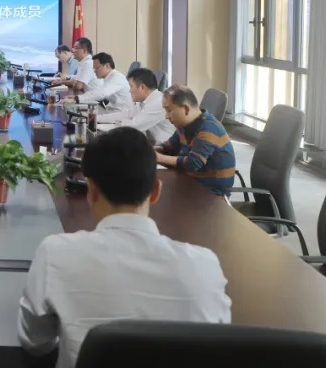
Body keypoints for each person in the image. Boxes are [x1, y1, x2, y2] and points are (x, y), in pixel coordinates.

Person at [17, 127, 231, 367]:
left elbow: (35, 343)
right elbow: (218, 348)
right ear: (155, 191)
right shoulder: (205, 267)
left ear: (91, 191)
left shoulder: (55, 255)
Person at [156, 85, 236, 197]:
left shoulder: (209, 129)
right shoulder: (184, 125)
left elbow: (192, 163)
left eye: (169, 110)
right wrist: (147, 150)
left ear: (186, 109)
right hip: (190, 184)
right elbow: (169, 147)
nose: (166, 116)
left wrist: (158, 158)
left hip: (212, 194)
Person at [97, 67, 175, 144]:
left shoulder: (158, 102)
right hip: (150, 142)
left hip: (163, 147)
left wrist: (112, 124)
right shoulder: (144, 101)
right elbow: (127, 115)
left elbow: (134, 126)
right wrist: (98, 118)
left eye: (131, 86)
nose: (130, 91)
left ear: (142, 87)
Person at [68, 52, 133, 114]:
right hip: (112, 110)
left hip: (121, 114)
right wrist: (78, 97)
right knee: (80, 111)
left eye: (97, 68)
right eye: (94, 68)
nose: (94, 71)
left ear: (107, 66)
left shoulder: (117, 78)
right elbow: (99, 92)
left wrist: (76, 99)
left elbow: (101, 93)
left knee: (84, 115)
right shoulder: (109, 77)